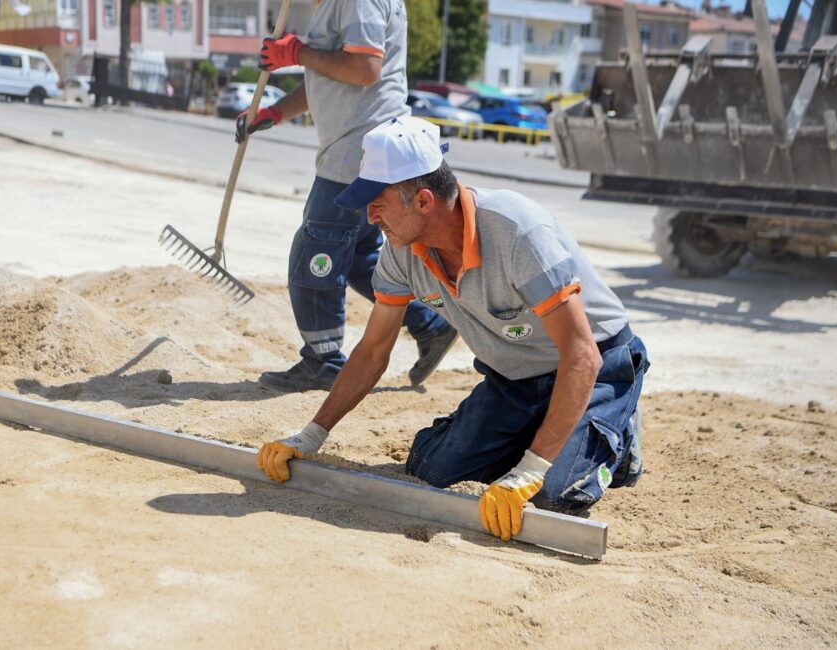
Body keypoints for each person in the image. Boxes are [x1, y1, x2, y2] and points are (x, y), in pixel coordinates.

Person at [255, 116, 649, 541]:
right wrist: (311, 435)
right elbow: (372, 352)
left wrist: (530, 470)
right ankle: (544, 435)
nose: (370, 218)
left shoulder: (519, 232)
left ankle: (618, 439)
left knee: (555, 494)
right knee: (431, 469)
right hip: (515, 379)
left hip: (597, 369)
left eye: (378, 203)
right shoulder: (401, 251)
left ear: (423, 201)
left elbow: (581, 354)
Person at [233, 0, 457, 393]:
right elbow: (330, 76)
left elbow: (364, 69)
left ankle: (323, 361)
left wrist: (297, 52)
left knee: (315, 254)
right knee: (358, 260)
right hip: (359, 152)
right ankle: (431, 324)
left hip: (358, 153)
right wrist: (274, 112)